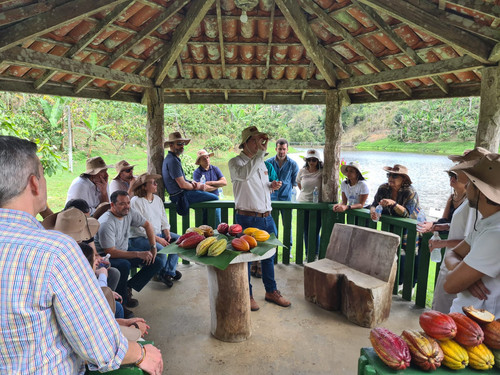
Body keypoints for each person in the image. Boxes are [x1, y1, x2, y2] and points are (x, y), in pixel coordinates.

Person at [0, 136, 162, 374]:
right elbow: (97, 344)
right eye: (44, 175)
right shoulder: (55, 251)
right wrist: (142, 354)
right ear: (35, 183)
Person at [228, 126, 291, 311]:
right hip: (246, 218)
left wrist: (271, 186)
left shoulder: (261, 163)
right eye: (255, 140)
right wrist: (259, 155)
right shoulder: (235, 163)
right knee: (246, 259)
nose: (259, 143)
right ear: (245, 143)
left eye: (260, 140)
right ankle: (247, 295)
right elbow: (244, 175)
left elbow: (260, 186)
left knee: (269, 256)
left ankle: (271, 291)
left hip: (266, 217)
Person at [444, 153, 500, 316]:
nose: (466, 186)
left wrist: (458, 276)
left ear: (481, 192)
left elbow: (450, 285)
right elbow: (452, 253)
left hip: (482, 324)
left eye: (470, 183)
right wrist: (462, 273)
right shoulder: (487, 222)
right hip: (470, 317)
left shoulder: (494, 234)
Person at [95, 190, 167, 310]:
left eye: (128, 203)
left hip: (123, 249)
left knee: (157, 261)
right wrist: (138, 254)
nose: (127, 206)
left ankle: (128, 286)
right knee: (124, 265)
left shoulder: (129, 212)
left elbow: (147, 225)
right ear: (112, 205)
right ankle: (122, 304)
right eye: (122, 204)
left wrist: (153, 247)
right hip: (105, 256)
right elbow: (110, 251)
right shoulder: (107, 223)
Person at [369, 164, 421, 286]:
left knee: (408, 256)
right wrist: (373, 211)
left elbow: (407, 214)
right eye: (389, 175)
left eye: (395, 175)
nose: (390, 178)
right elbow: (373, 204)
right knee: (388, 254)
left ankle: (408, 284)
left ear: (404, 179)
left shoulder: (410, 192)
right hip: (390, 227)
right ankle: (392, 282)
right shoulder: (383, 188)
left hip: (408, 229)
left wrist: (393, 204)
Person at [129, 173, 182, 288]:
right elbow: (139, 229)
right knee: (161, 250)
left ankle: (168, 272)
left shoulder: (157, 199)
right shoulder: (136, 201)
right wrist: (158, 239)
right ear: (144, 186)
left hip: (158, 233)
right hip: (140, 237)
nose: (156, 184)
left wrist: (167, 232)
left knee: (179, 240)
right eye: (153, 183)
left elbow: (163, 218)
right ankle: (162, 272)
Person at [162, 132, 219, 221]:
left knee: (207, 202)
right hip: (180, 195)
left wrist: (190, 182)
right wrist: (197, 186)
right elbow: (182, 185)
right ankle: (213, 227)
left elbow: (181, 180)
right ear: (171, 145)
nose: (182, 146)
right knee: (215, 198)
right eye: (179, 144)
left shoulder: (172, 158)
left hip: (179, 194)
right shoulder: (173, 160)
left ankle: (205, 226)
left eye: (183, 144)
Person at [266, 138, 299, 252]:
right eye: (280, 149)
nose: (281, 152)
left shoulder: (293, 164)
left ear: (287, 149)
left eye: (284, 149)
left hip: (286, 200)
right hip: (271, 200)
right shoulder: (268, 163)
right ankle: (271, 249)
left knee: (287, 226)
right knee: (270, 226)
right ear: (276, 149)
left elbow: (295, 183)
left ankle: (287, 250)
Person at [296, 149, 324, 257]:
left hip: (317, 205)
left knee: (316, 229)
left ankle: (316, 253)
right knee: (305, 231)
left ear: (318, 161)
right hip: (303, 203)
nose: (311, 162)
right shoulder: (302, 171)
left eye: (314, 160)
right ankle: (308, 254)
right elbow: (299, 183)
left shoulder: (322, 171)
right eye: (309, 159)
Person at [192, 149, 227, 224]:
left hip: (215, 200)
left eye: (207, 157)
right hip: (204, 201)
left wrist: (209, 182)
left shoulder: (215, 169)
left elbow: (224, 182)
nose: (206, 160)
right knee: (204, 224)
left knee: (217, 222)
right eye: (203, 159)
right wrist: (217, 186)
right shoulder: (197, 172)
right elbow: (203, 188)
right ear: (199, 162)